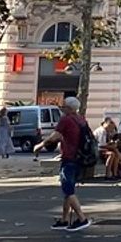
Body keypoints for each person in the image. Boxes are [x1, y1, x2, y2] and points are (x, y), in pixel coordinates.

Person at [37, 96, 93, 231]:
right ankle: (64, 219)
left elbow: (55, 136)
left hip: (69, 158)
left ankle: (82, 219)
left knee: (68, 189)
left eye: (63, 106)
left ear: (68, 108)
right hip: (79, 158)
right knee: (69, 190)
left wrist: (40, 145)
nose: (62, 108)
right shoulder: (81, 119)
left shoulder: (66, 119)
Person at [99, 116, 121, 182]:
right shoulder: (102, 131)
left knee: (116, 154)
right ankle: (108, 174)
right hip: (97, 150)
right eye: (111, 128)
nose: (111, 130)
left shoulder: (106, 131)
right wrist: (112, 146)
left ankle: (115, 173)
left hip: (103, 149)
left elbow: (105, 143)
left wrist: (112, 143)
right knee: (112, 154)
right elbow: (101, 145)